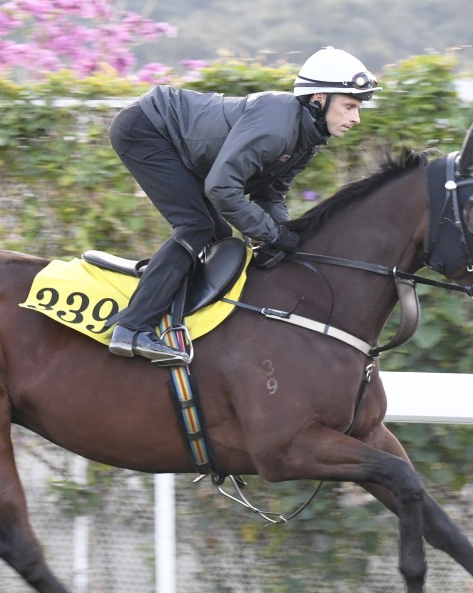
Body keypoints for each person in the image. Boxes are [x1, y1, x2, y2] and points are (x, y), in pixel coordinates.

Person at [107, 46, 381, 365]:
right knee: (196, 226)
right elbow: (222, 188)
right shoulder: (278, 123)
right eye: (349, 106)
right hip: (146, 130)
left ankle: (182, 324)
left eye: (357, 108)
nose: (356, 118)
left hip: (182, 149)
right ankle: (132, 328)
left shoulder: (306, 142)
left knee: (222, 241)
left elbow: (269, 196)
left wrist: (288, 237)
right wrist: (274, 235)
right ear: (319, 98)